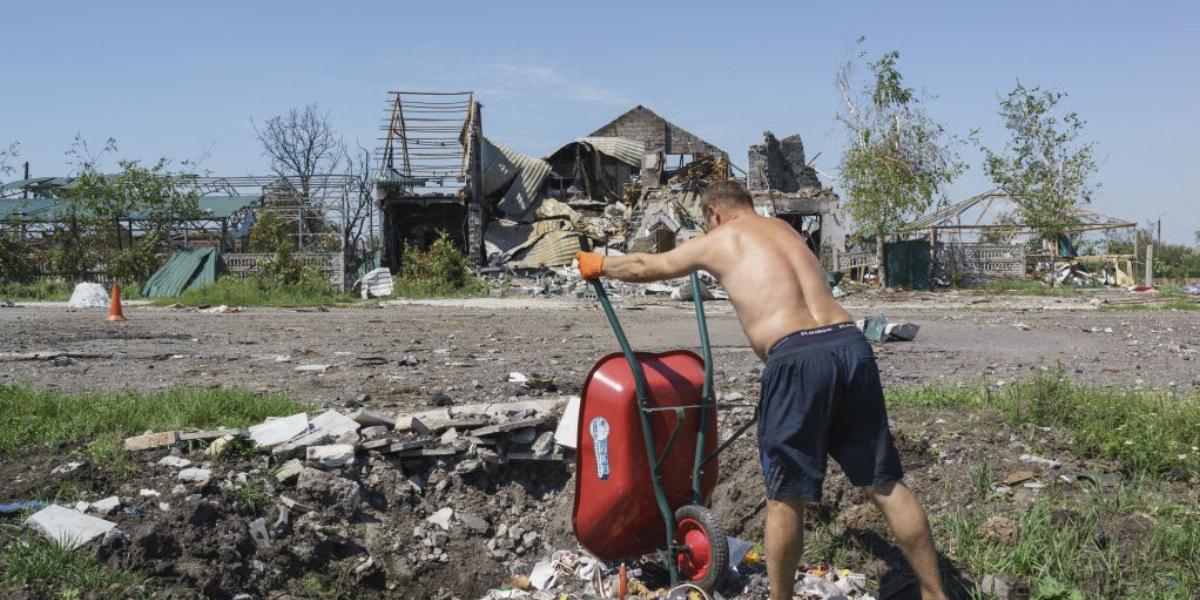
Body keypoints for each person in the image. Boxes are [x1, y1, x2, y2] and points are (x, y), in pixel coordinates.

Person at [575, 180, 947, 600]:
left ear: (714, 213)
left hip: (796, 357)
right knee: (884, 483)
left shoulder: (721, 238)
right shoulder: (785, 230)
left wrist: (599, 264)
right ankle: (936, 594)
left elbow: (648, 266)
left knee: (785, 496)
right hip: (849, 344)